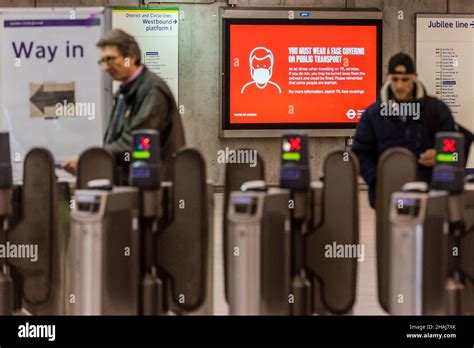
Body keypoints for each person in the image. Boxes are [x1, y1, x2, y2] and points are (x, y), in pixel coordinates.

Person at [64, 29, 185, 183]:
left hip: (153, 187)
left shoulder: (152, 90)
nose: (106, 67)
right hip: (133, 183)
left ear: (131, 57)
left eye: (111, 59)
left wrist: (91, 159)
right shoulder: (125, 91)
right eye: (103, 61)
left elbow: (138, 140)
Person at [352, 53, 456, 208]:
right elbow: (360, 153)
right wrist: (377, 180)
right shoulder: (373, 115)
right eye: (395, 79)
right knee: (387, 233)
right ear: (388, 78)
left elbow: (454, 151)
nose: (399, 86)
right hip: (386, 197)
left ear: (414, 77)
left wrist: (441, 156)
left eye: (405, 79)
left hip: (427, 197)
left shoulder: (436, 110)